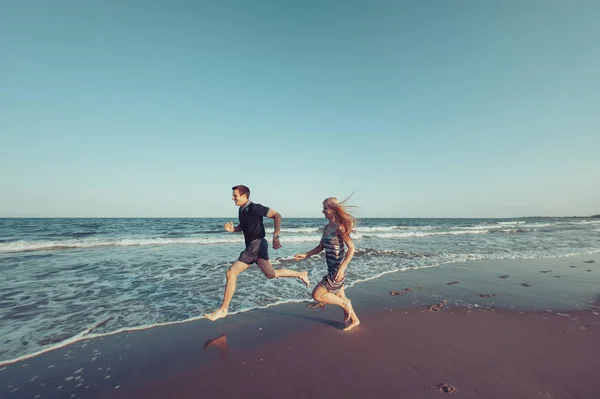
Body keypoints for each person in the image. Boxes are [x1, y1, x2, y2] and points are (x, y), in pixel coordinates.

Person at [204, 185, 310, 321]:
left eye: (235, 196)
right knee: (271, 274)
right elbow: (244, 226)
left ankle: (223, 309)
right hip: (255, 245)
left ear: (244, 196)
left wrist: (276, 236)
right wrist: (233, 229)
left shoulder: (255, 207)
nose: (232, 198)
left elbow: (277, 215)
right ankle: (301, 274)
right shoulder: (242, 211)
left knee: (231, 273)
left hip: (257, 244)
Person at [294, 197, 360, 331]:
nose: (322, 211)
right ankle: (355, 320)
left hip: (338, 270)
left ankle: (345, 304)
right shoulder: (326, 228)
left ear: (333, 210)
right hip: (331, 268)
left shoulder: (340, 227)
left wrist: (342, 268)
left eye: (325, 208)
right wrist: (306, 254)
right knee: (340, 295)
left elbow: (352, 248)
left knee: (317, 295)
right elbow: (320, 247)